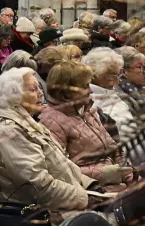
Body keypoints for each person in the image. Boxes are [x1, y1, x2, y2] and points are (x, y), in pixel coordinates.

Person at [0, 67, 97, 223]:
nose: (41, 93)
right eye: (33, 89)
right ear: (14, 96)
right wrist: (85, 198)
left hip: (63, 203)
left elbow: (64, 167)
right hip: (38, 214)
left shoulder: (27, 121)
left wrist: (92, 186)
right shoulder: (8, 131)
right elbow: (38, 187)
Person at [39, 61, 131, 191]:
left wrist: (127, 172)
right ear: (66, 91)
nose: (91, 90)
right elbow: (61, 173)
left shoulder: (87, 111)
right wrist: (107, 173)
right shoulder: (50, 121)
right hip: (92, 191)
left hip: (115, 184)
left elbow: (113, 148)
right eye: (85, 86)